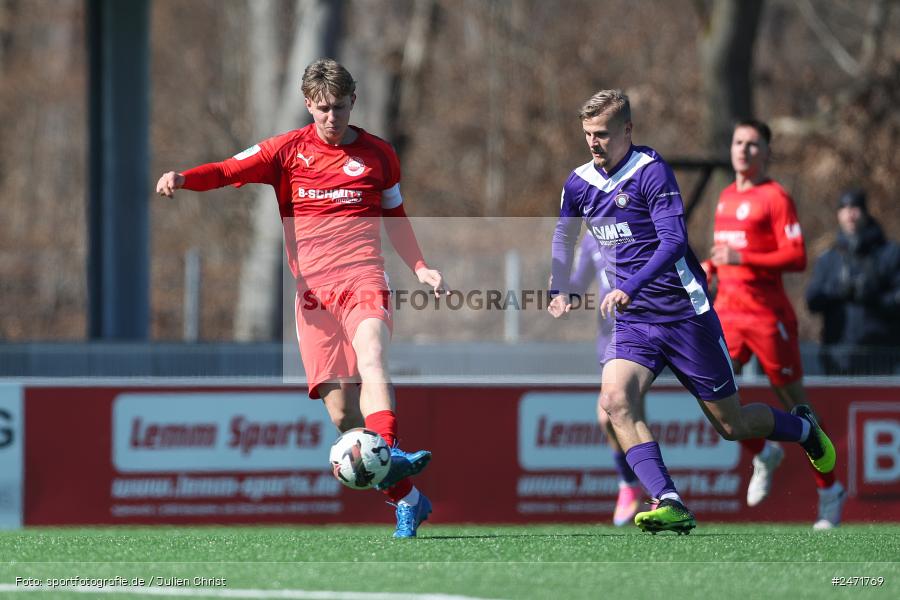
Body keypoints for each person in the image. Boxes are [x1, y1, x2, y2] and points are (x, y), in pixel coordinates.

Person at [156, 58, 445, 538]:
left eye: (341, 107)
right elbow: (227, 170)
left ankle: (391, 449)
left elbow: (396, 217)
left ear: (354, 101)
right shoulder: (286, 151)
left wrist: (420, 267)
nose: (333, 117)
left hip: (363, 277)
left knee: (372, 356)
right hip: (313, 296)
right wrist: (184, 178)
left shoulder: (379, 154)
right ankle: (407, 498)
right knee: (342, 415)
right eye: (323, 108)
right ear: (309, 104)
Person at [548, 89, 836, 534]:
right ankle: (669, 499)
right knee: (615, 401)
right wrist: (559, 287)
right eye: (587, 134)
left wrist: (630, 286)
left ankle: (803, 429)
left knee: (732, 424)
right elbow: (564, 236)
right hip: (634, 321)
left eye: (602, 133)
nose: (593, 142)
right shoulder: (579, 182)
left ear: (627, 130)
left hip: (684, 314)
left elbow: (674, 242)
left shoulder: (651, 171)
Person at [705, 119, 846, 529]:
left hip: (767, 317)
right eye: (738, 142)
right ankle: (764, 453)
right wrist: (710, 266)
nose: (743, 150)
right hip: (728, 314)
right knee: (709, 394)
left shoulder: (775, 197)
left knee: (796, 405)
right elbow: (726, 253)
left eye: (753, 144)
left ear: (766, 152)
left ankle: (830, 489)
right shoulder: (726, 196)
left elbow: (796, 256)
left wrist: (742, 259)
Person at [568, 233, 646, 526]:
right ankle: (639, 486)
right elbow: (579, 283)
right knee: (623, 415)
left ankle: (640, 486)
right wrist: (563, 291)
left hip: (642, 330)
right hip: (609, 336)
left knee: (613, 413)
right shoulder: (590, 239)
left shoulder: (634, 223)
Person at [806, 189, 900, 376]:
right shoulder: (829, 258)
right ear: (838, 214)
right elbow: (812, 301)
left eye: (855, 207)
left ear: (865, 211)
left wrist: (875, 298)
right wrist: (837, 291)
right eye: (844, 208)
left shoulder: (888, 253)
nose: (850, 214)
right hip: (838, 357)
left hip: (881, 356)